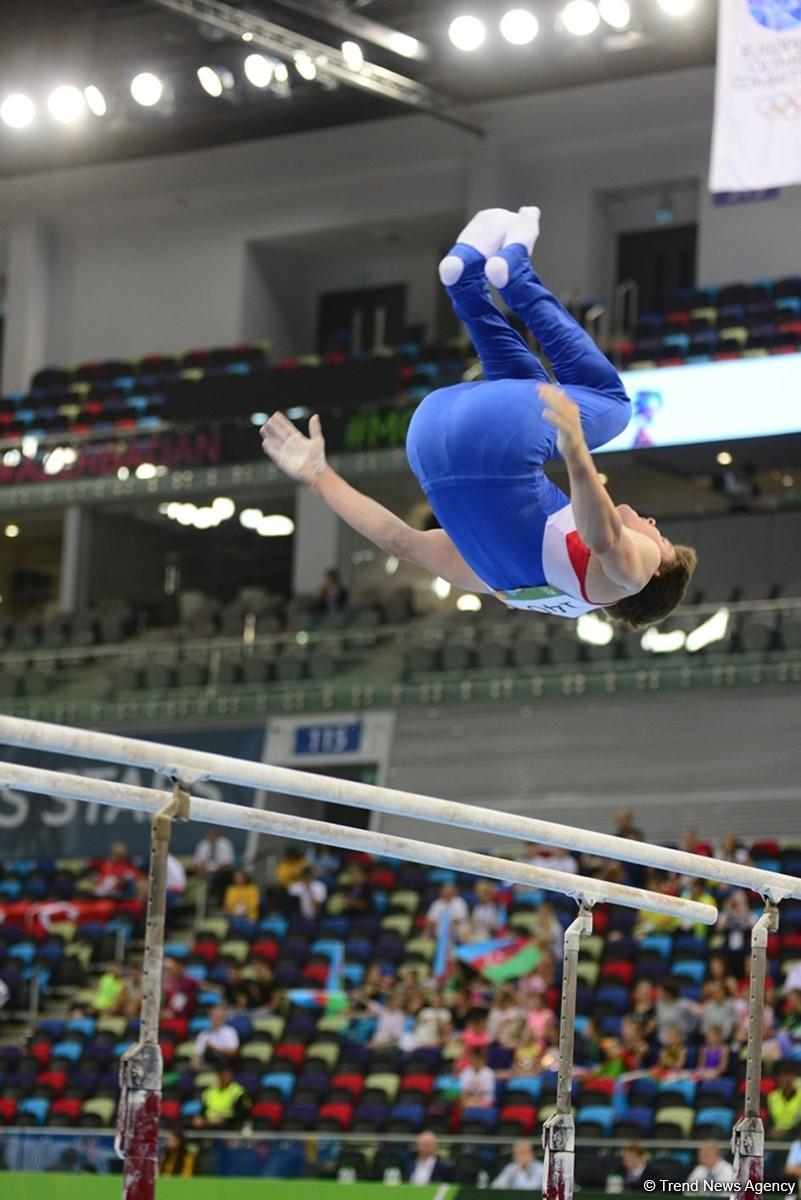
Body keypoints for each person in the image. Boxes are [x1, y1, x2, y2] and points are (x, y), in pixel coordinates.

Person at [261, 207, 696, 629]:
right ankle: (465, 281)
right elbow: (400, 541)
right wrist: (319, 476)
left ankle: (517, 276)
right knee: (523, 390)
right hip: (428, 431)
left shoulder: (632, 575)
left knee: (615, 405)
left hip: (499, 436)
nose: (655, 528)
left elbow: (605, 540)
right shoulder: (499, 585)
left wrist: (578, 455)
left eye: (662, 542)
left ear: (655, 573)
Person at [193, 1065, 250, 1129]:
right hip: (208, 1123)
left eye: (228, 1074)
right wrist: (200, 1118)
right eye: (222, 1074)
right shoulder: (209, 1091)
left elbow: (242, 1114)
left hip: (229, 1125)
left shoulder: (238, 1091)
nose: (225, 1077)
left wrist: (226, 1119)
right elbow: (203, 1110)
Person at [191, 827, 235, 903]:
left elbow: (228, 863)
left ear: (217, 835)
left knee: (222, 877)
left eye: (213, 835)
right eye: (209, 836)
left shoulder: (225, 844)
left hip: (220, 871)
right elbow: (196, 861)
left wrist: (213, 871)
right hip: (206, 871)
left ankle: (217, 900)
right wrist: (199, 869)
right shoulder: (203, 844)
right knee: (189, 872)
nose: (211, 838)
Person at [192, 1005, 240, 1069]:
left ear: (223, 1017)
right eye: (213, 1016)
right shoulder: (203, 1034)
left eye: (218, 1016)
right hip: (206, 1063)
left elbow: (233, 1053)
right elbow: (197, 1053)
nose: (215, 1018)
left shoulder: (230, 1032)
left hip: (224, 1063)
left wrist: (214, 1048)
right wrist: (195, 1062)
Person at [768, 1066, 801, 1135]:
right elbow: (769, 1119)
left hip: (796, 1132)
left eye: (789, 1076)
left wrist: (788, 1131)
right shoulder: (772, 1096)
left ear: (794, 1077)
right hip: (776, 1132)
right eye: (784, 1076)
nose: (786, 1079)